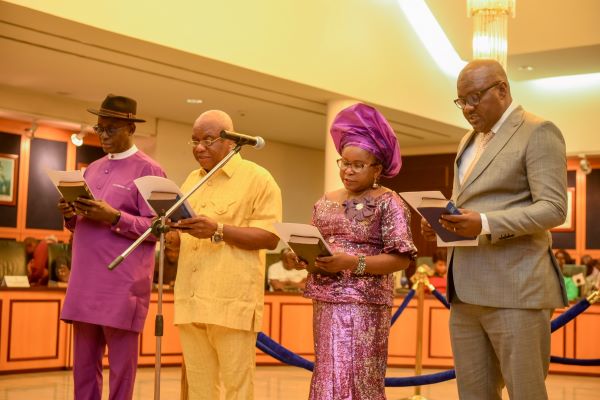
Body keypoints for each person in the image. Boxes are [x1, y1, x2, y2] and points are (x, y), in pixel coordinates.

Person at [421, 59, 568, 400]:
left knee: (525, 392)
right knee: (474, 394)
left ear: (502, 89)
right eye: (461, 101)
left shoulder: (538, 130)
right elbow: (473, 204)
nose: (468, 109)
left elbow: (553, 208)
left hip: (516, 289)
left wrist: (484, 224)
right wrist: (446, 228)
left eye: (474, 97)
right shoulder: (467, 141)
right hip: (465, 292)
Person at [298, 103, 416, 399]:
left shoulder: (390, 202)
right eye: (343, 163)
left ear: (377, 168)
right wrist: (300, 256)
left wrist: (352, 262)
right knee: (327, 373)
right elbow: (315, 242)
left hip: (364, 304)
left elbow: (402, 258)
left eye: (357, 165)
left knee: (356, 378)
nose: (347, 171)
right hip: (325, 299)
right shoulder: (325, 200)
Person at [57, 94, 166, 400]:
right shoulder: (91, 168)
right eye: (99, 128)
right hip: (83, 283)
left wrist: (115, 217)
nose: (102, 135)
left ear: (130, 127)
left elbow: (158, 228)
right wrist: (70, 217)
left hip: (122, 285)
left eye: (110, 128)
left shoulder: (150, 171)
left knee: (121, 371)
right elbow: (83, 225)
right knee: (83, 369)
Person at [171, 110, 282, 400]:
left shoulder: (258, 179)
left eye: (208, 140)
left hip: (231, 303)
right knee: (199, 390)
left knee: (237, 389)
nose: (198, 148)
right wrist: (172, 234)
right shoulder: (190, 180)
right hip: (191, 300)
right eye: (194, 140)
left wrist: (218, 229)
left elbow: (270, 237)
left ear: (230, 141)